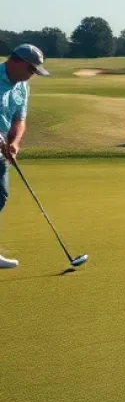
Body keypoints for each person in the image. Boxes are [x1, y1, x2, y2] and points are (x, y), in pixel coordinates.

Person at [0, 44, 51, 270]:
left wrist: (15, 142)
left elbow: (20, 119)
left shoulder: (23, 87)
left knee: (1, 195)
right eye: (30, 69)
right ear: (16, 61)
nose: (31, 75)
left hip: (2, 145)